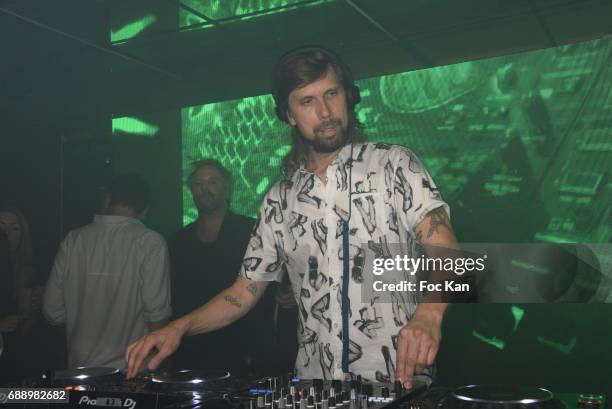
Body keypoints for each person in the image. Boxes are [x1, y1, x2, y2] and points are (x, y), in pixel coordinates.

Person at [126, 46, 459, 388]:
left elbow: (450, 255)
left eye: (332, 93)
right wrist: (179, 327)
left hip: (398, 384)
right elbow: (243, 293)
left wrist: (430, 315)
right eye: (307, 101)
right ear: (288, 114)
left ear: (349, 97)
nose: (325, 111)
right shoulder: (279, 200)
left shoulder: (395, 165)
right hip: (314, 386)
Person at [43, 173, 172, 371]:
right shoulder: (150, 242)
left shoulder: (73, 239)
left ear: (107, 199)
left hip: (79, 367)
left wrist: (81, 335)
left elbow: (52, 310)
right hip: (133, 370)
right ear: (145, 210)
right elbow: (156, 315)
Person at [170, 159, 275, 375]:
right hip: (192, 353)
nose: (205, 188)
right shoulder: (178, 241)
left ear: (227, 189)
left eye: (213, 182)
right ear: (191, 190)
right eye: (199, 183)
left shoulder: (251, 231)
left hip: (244, 352)